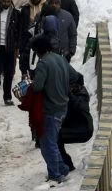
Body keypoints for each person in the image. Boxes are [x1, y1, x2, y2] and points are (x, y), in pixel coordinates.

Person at [31, 35, 72, 186]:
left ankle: (56, 175)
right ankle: (62, 168)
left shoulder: (43, 64)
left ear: (38, 51)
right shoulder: (60, 59)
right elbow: (74, 76)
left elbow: (37, 87)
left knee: (48, 143)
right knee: (52, 141)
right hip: (63, 107)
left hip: (51, 109)